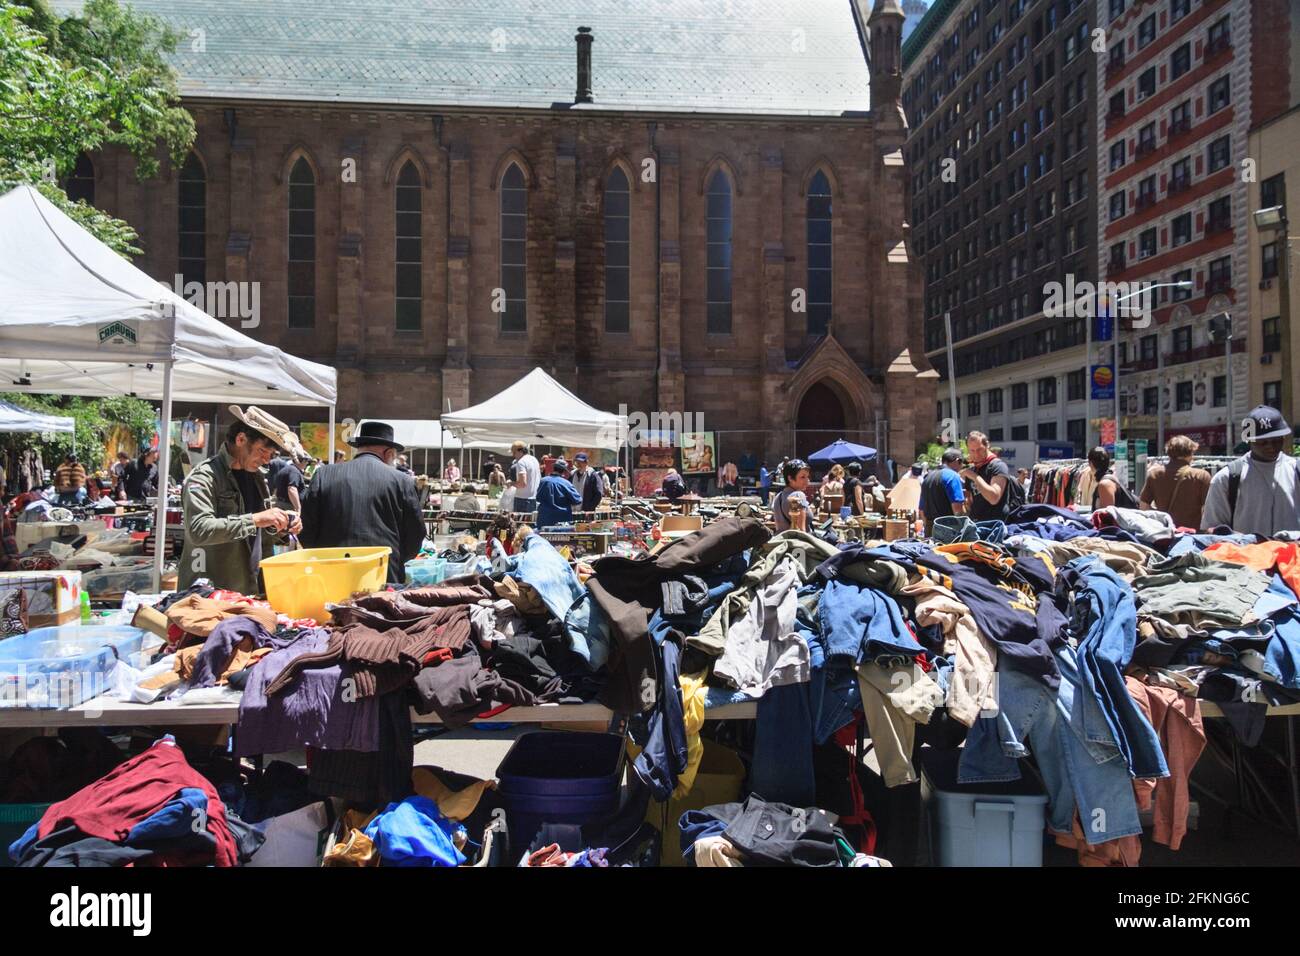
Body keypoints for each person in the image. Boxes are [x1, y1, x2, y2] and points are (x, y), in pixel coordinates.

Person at [178, 406, 303, 593]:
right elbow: (199, 530)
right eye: (262, 451)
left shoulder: (257, 478)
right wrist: (256, 519)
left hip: (250, 589)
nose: (267, 460)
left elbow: (258, 534)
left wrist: (281, 526)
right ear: (241, 439)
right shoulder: (204, 477)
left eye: (271, 455)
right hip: (211, 594)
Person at [299, 420, 425, 585]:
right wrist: (396, 556)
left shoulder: (324, 474)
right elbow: (415, 533)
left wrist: (322, 554)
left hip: (331, 573)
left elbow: (306, 527)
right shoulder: (402, 481)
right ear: (388, 453)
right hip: (383, 573)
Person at [1202, 405, 1300, 535]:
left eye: (1276, 440)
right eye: (1263, 442)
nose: (1271, 447)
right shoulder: (1227, 478)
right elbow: (1212, 528)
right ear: (1249, 441)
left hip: (1292, 554)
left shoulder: (1296, 470)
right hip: (1246, 554)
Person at [1139, 435, 1211, 529]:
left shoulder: (1155, 474)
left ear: (1169, 453)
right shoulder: (1201, 476)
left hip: (1165, 533)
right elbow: (1207, 509)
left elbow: (1144, 506)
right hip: (1193, 534)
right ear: (1190, 453)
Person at [960, 431, 1016, 521]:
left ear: (987, 446)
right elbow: (970, 500)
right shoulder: (974, 468)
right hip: (976, 523)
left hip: (994, 526)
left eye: (979, 449)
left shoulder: (997, 466)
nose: (976, 454)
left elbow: (994, 498)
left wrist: (974, 477)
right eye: (972, 450)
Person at [919, 449, 967, 533]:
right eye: (962, 462)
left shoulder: (927, 478)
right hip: (948, 530)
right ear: (957, 461)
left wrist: (928, 528)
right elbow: (958, 508)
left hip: (930, 529)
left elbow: (921, 510)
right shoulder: (952, 476)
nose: (962, 466)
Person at [535, 459, 582, 527]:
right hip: (562, 519)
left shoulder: (543, 481)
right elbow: (578, 500)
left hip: (544, 518)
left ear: (553, 468)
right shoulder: (566, 483)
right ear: (563, 471)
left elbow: (538, 498)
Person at [773, 459, 811, 532]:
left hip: (782, 540)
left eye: (807, 477)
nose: (807, 480)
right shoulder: (798, 495)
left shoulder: (778, 496)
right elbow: (801, 531)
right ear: (790, 478)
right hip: (796, 542)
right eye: (802, 477)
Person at [510, 440, 541, 514]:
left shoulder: (521, 462)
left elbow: (522, 484)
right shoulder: (534, 460)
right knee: (531, 524)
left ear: (519, 451)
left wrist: (511, 483)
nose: (513, 455)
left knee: (520, 524)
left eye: (514, 453)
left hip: (522, 499)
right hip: (534, 498)